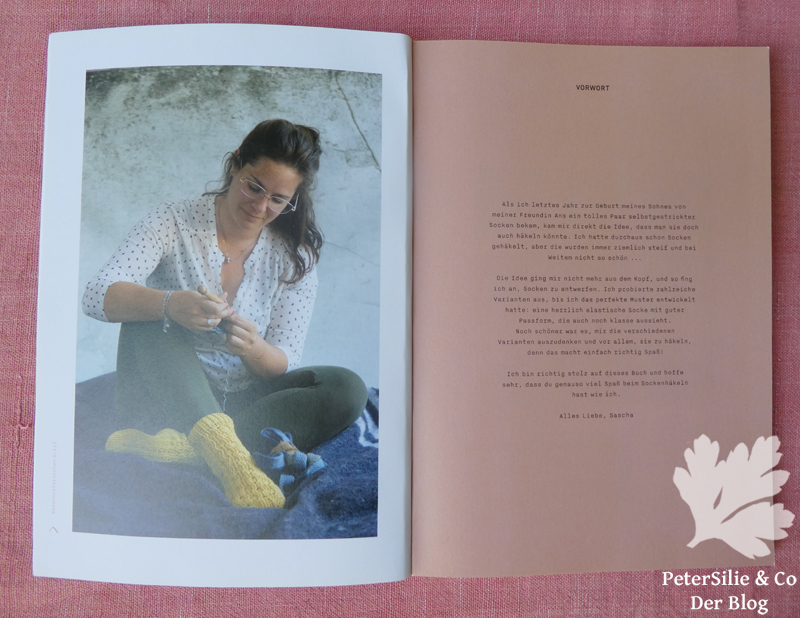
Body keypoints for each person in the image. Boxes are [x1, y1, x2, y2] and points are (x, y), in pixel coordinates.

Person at [82, 119, 368, 508]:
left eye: (278, 199)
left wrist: (253, 348)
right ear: (235, 165)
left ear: (294, 200)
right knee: (150, 319)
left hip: (243, 402)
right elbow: (96, 294)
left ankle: (189, 450)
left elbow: (284, 358)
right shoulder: (173, 221)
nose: (261, 207)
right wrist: (171, 304)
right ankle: (233, 462)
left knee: (348, 387)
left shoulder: (294, 257)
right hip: (162, 397)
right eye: (254, 186)